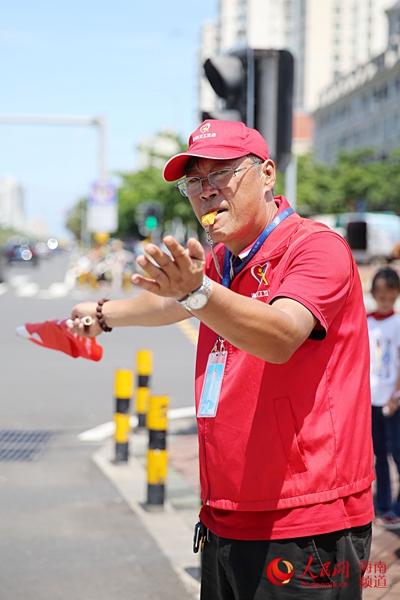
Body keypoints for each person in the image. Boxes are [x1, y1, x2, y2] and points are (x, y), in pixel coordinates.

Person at [69, 119, 374, 599]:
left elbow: (281, 335)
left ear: (267, 173)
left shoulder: (315, 248)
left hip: (304, 522)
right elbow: (171, 302)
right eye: (194, 182)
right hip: (225, 515)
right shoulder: (222, 260)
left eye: (221, 174)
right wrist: (105, 313)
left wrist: (197, 292)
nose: (206, 193)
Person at [367, 267, 400, 530]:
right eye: (381, 297)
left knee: (397, 454)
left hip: (392, 400)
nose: (385, 302)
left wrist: (395, 396)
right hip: (371, 399)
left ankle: (396, 505)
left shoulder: (397, 323)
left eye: (390, 298)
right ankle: (384, 506)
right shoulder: (367, 321)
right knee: (378, 455)